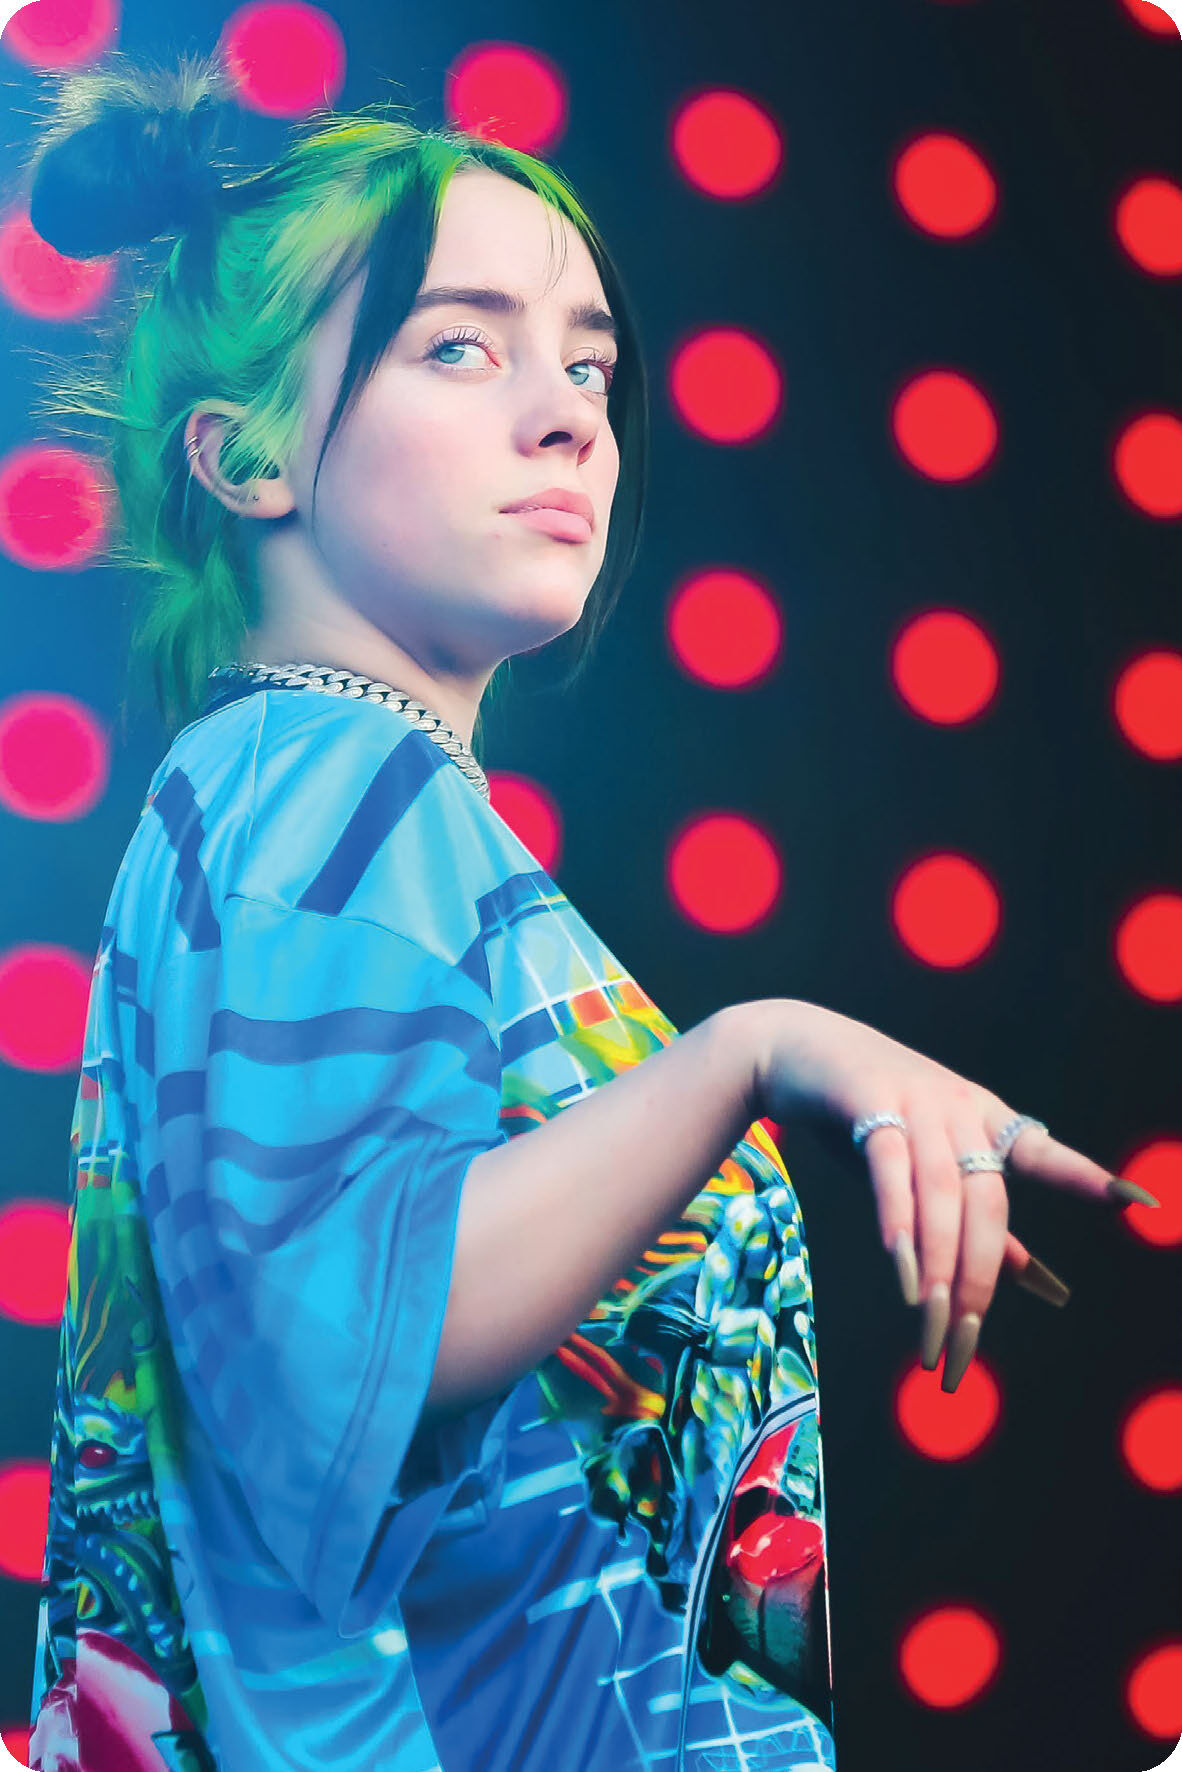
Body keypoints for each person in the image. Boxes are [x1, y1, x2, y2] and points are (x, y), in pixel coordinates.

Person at [19, 47, 1154, 1772]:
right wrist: (757, 1050)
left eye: (590, 364)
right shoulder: (333, 788)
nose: (566, 416)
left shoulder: (294, 797)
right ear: (244, 455)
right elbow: (354, 1358)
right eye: (458, 346)